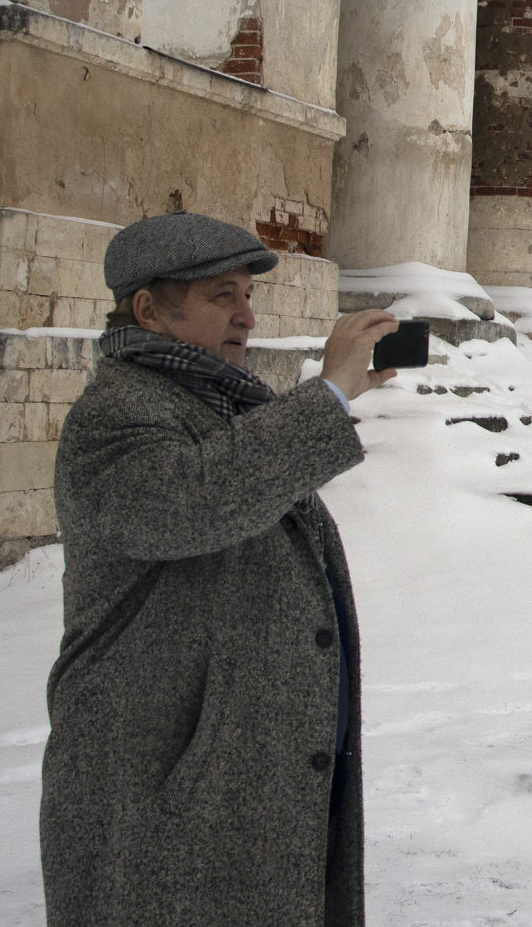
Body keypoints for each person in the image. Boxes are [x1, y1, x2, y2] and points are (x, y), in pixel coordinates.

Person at [40, 211, 399, 927]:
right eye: (221, 296)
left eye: (246, 294)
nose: (245, 314)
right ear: (149, 308)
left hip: (229, 783)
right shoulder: (115, 413)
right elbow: (194, 501)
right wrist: (326, 395)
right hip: (164, 786)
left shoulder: (215, 403)